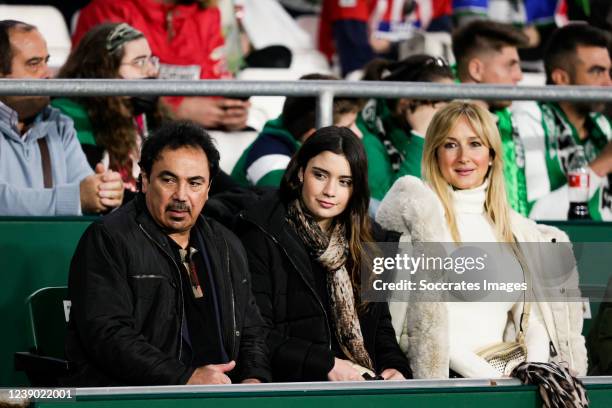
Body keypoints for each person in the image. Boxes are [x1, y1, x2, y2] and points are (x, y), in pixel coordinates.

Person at [376, 101, 587, 378]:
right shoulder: (413, 220)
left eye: (475, 143)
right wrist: (483, 377)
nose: (464, 156)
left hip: (509, 381)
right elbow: (400, 327)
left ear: (491, 155)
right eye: (450, 145)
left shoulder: (517, 230)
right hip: (445, 384)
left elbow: (533, 320)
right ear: (435, 153)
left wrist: (532, 371)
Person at [65, 121, 271, 386]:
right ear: (144, 180)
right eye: (169, 180)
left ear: (209, 189)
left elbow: (251, 328)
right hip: (141, 396)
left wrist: (254, 378)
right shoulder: (109, 239)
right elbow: (108, 335)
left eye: (195, 183)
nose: (181, 196)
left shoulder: (226, 243)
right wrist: (185, 378)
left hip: (222, 394)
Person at [236, 126, 412, 382]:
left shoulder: (370, 238)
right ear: (300, 173)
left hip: (361, 380)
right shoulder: (261, 230)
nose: (330, 191)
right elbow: (255, 332)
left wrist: (396, 367)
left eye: (344, 182)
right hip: (296, 386)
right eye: (320, 175)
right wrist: (326, 364)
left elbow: (380, 327)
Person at [0, 19, 123, 216]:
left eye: (46, 61)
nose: (47, 74)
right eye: (34, 64)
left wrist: (104, 192)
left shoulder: (59, 123)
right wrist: (74, 200)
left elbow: (84, 188)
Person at [72, 0, 250, 131]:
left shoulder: (209, 13)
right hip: (120, 133)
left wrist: (228, 112)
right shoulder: (109, 8)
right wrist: (177, 108)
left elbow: (216, 81)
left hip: (193, 136)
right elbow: (99, 90)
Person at [53, 23, 166, 201]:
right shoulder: (71, 114)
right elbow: (96, 190)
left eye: (152, 60)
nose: (152, 71)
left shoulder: (149, 113)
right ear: (104, 70)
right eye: (139, 62)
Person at [512, 23, 612, 220]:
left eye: (609, 72)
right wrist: (603, 163)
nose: (608, 83)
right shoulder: (530, 119)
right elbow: (535, 217)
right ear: (561, 78)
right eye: (596, 71)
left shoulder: (602, 124)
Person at [452, 20, 531, 216]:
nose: (519, 76)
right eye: (510, 66)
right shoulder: (443, 120)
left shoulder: (504, 118)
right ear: (476, 70)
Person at [231, 74, 362, 188]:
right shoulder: (272, 165)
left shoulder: (292, 140)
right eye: (348, 128)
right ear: (313, 135)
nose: (359, 135)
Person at [358, 54, 454, 204]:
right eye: (444, 102)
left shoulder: (400, 127)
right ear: (406, 103)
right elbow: (391, 203)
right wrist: (421, 135)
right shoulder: (365, 135)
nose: (450, 112)